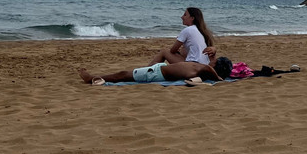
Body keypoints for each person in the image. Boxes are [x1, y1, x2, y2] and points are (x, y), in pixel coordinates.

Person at [78, 59, 225, 86]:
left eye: (214, 61)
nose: (211, 61)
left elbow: (211, 71)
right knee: (124, 74)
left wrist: (218, 77)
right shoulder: (200, 69)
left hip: (154, 73)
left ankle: (91, 78)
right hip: (160, 69)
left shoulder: (205, 69)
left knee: (122, 75)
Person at [149, 7, 216, 66]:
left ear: (192, 18)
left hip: (192, 66)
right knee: (183, 49)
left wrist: (178, 49)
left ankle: (146, 71)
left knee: (164, 52)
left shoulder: (188, 30)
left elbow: (173, 50)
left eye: (185, 15)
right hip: (204, 66)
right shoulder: (201, 31)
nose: (182, 17)